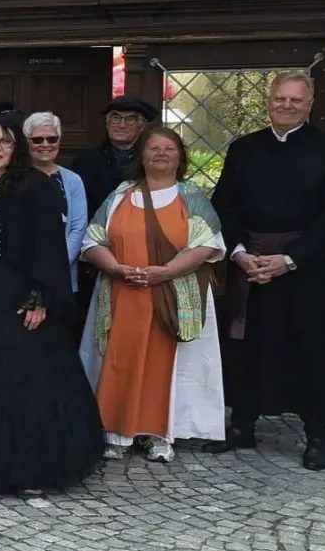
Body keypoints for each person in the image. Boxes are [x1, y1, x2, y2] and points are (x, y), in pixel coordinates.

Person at [0, 117, 102, 494]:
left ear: (17, 149)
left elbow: (49, 245)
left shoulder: (36, 186)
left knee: (18, 379)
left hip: (15, 294)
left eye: (5, 142)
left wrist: (38, 297)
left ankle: (26, 470)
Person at [207, 71, 325, 470]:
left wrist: (290, 260)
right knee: (247, 345)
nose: (287, 106)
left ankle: (316, 436)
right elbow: (225, 205)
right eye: (280, 99)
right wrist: (238, 253)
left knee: (309, 348)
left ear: (309, 105)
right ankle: (242, 424)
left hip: (302, 268)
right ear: (269, 101)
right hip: (250, 264)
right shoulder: (244, 149)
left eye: (296, 100)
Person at [80, 127, 226, 462]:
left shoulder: (191, 197)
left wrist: (166, 272)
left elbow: (208, 244)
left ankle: (159, 433)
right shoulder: (120, 196)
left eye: (169, 148)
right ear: (141, 155)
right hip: (122, 292)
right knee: (120, 360)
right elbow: (92, 241)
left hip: (173, 296)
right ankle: (116, 431)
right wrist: (116, 268)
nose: (161, 154)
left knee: (166, 366)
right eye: (154, 148)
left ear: (180, 156)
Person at [23, 111, 89, 294]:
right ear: (26, 143)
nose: (45, 145)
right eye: (37, 140)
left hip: (63, 276)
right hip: (22, 276)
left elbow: (78, 228)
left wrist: (54, 266)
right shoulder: (15, 178)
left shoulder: (73, 180)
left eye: (52, 139)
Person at [72, 96, 158, 222]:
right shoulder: (85, 161)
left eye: (130, 120)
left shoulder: (152, 161)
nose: (122, 125)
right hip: (95, 235)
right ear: (107, 124)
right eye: (116, 118)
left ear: (142, 126)